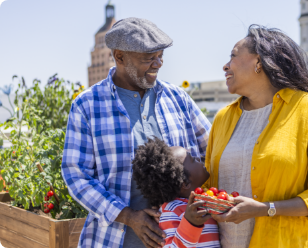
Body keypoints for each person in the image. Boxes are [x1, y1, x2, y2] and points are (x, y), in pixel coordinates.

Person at [62, 18, 211, 248]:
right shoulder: (88, 105)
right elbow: (76, 175)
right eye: (149, 58)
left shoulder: (177, 98)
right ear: (119, 56)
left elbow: (212, 148)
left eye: (160, 56)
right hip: (112, 241)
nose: (158, 64)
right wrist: (128, 216)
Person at [204, 25, 308, 248]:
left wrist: (266, 208)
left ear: (258, 62)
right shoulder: (222, 118)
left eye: (233, 55)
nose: (225, 65)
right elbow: (210, 185)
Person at [132, 137, 220, 248]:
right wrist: (190, 224)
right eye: (192, 159)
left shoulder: (203, 199)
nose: (198, 158)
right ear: (185, 183)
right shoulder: (171, 210)